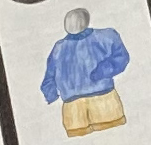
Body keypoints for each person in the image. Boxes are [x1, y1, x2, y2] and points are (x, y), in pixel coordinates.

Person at [39, 7, 130, 135]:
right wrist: (100, 73)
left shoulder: (59, 48)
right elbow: (121, 58)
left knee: (81, 140)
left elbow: (49, 77)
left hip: (73, 106)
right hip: (103, 99)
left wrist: (51, 95)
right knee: (113, 136)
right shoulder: (106, 36)